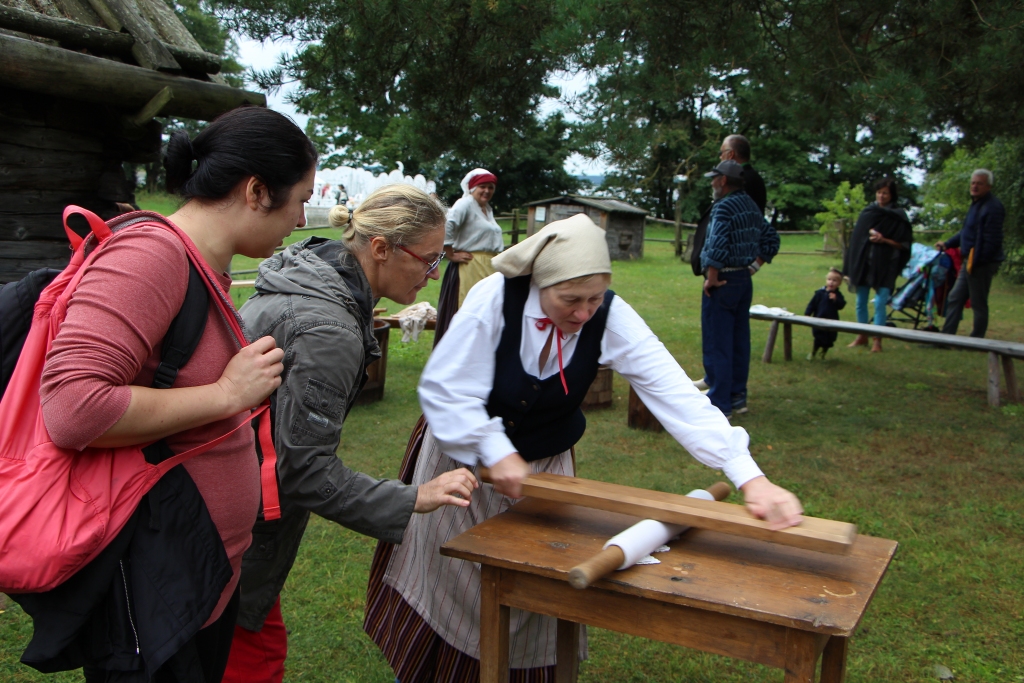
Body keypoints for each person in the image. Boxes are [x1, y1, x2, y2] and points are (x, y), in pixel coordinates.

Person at [366, 213, 802, 682]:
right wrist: (495, 448)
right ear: (540, 283)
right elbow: (447, 388)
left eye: (594, 298)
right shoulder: (495, 297)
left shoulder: (609, 315)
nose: (583, 313)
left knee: (538, 590)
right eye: (570, 300)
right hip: (461, 464)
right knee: (455, 587)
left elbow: (675, 395)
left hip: (545, 469)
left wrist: (749, 476)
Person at [36, 106, 317, 681]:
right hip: (151, 582)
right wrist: (226, 394)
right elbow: (72, 407)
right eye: (300, 199)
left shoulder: (197, 263)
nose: (302, 217)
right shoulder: (151, 257)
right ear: (257, 191)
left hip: (194, 577)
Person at [224, 186, 479, 683]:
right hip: (237, 538)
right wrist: (413, 498)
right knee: (251, 664)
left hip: (217, 511)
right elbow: (304, 470)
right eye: (427, 260)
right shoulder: (329, 329)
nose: (433, 276)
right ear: (380, 248)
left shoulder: (308, 275)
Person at [699, 160, 779, 418]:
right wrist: (753, 266)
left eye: (714, 179)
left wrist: (711, 277)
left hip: (723, 280)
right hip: (743, 279)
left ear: (723, 181)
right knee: (739, 340)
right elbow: (771, 239)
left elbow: (717, 243)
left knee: (718, 340)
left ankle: (720, 403)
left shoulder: (723, 207)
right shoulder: (751, 205)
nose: (712, 183)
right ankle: (738, 397)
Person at [843, 178, 912, 352]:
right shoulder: (868, 213)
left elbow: (904, 244)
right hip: (865, 263)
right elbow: (856, 241)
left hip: (887, 265)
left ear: (892, 195)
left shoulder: (898, 216)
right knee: (861, 301)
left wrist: (884, 240)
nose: (881, 196)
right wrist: (849, 267)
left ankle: (877, 339)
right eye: (879, 192)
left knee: (880, 302)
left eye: (885, 193)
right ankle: (862, 335)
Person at [936, 169, 1005, 338]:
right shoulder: (976, 204)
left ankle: (977, 339)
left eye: (979, 183)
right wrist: (947, 244)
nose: (974, 186)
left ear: (988, 186)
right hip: (969, 261)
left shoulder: (993, 207)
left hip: (980, 262)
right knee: (955, 297)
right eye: (973, 183)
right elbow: (967, 232)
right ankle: (946, 337)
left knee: (978, 302)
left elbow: (992, 240)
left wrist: (977, 262)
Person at [438, 168, 504, 312]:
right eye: (482, 186)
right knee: (472, 307)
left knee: (487, 308)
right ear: (473, 188)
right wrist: (450, 254)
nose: (487, 191)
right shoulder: (465, 203)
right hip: (471, 265)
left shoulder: (487, 209)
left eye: (490, 187)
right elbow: (448, 223)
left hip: (488, 265)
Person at [719, 134, 767, 215]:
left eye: (721, 152)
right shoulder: (757, 178)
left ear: (730, 154)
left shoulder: (735, 181)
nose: (720, 157)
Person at [805, 268, 847, 359]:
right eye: (829, 279)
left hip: (832, 320)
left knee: (829, 338)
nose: (831, 282)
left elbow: (842, 305)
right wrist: (808, 313)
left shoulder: (838, 295)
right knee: (818, 337)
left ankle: (823, 352)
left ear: (839, 283)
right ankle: (813, 352)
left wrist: (836, 300)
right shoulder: (820, 293)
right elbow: (812, 304)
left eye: (834, 280)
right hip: (819, 318)